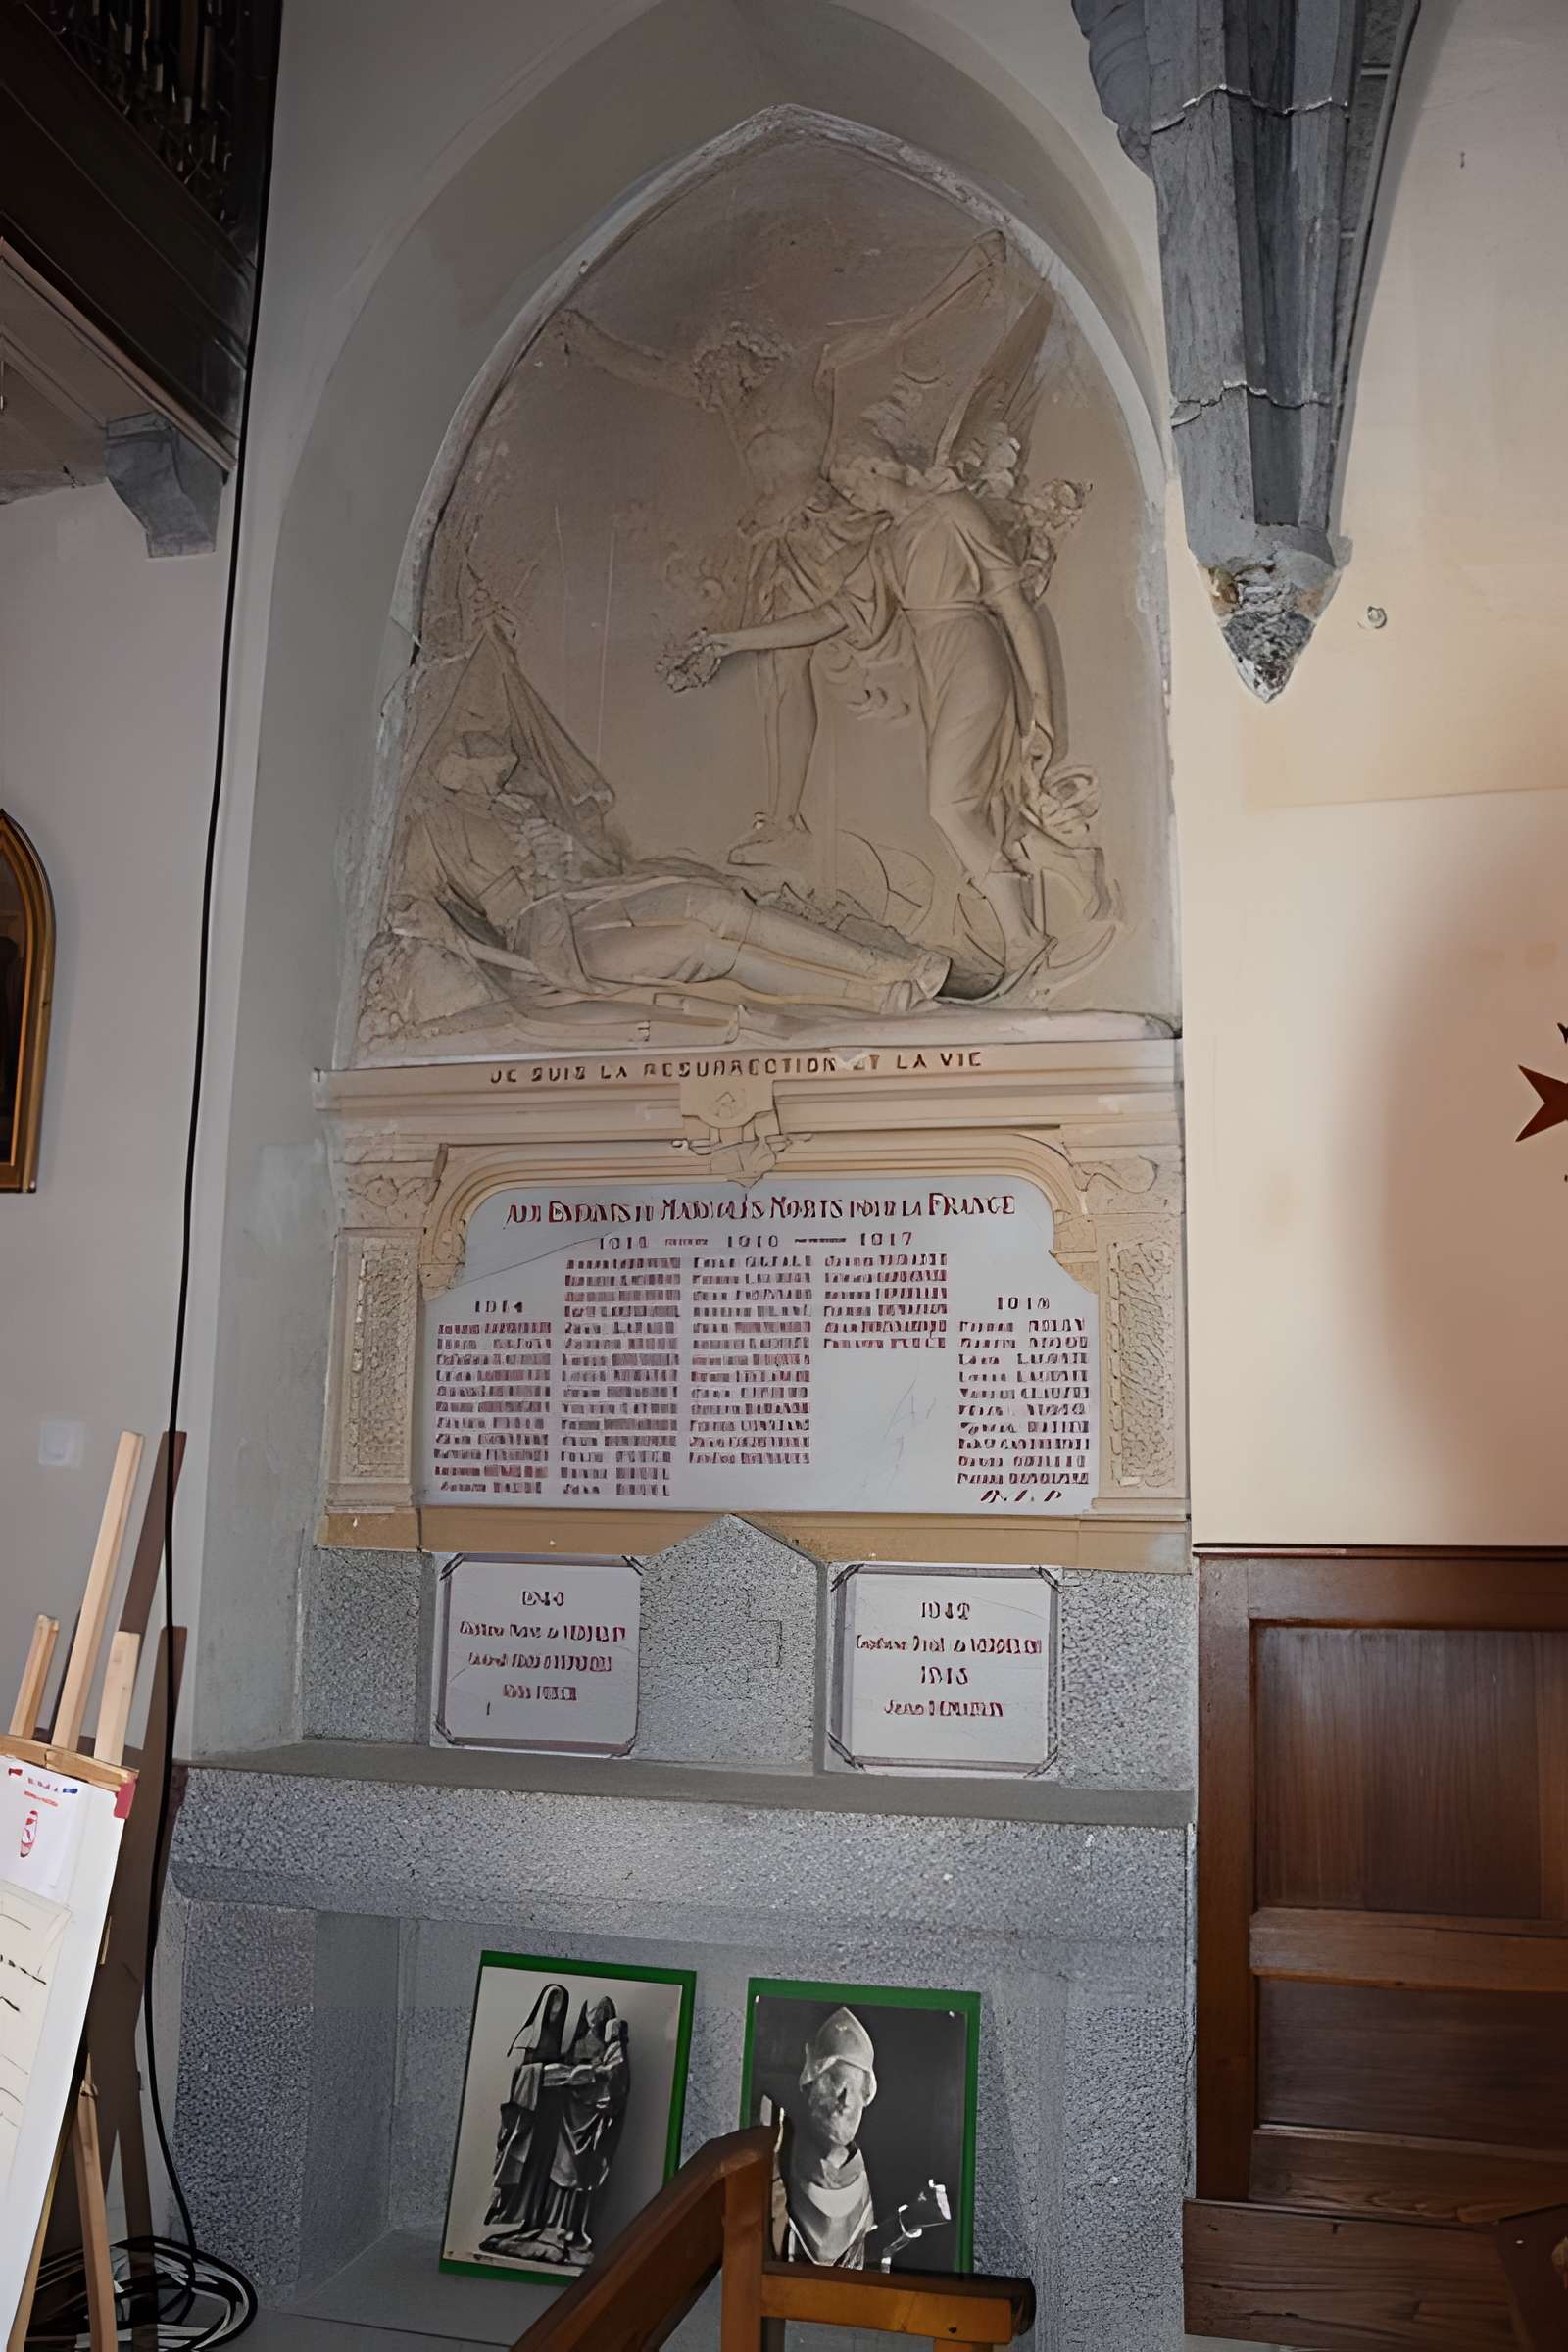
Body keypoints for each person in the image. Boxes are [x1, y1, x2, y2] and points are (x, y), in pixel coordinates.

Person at [667, 446, 1059, 980]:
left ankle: (1023, 939)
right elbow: (829, 616)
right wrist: (730, 641)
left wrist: (1041, 710)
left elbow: (1013, 607)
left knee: (948, 803)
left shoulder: (952, 510)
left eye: (852, 481)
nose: (849, 496)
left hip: (972, 653)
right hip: (932, 669)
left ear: (879, 466)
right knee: (957, 803)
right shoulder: (884, 546)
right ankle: (1020, 932)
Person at [767, 2006, 881, 2267]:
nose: (845, 2100)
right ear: (810, 2085)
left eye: (855, 2089)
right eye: (835, 2082)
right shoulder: (779, 2153)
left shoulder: (862, 2187)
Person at [528, 2000, 631, 2264]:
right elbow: (566, 2071)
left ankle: (571, 2232)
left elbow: (615, 2078)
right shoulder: (577, 2043)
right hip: (569, 2117)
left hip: (591, 2120)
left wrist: (589, 2074)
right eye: (591, 2016)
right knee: (559, 2169)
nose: (595, 2020)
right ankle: (552, 2226)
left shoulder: (615, 2048)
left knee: (579, 2175)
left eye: (600, 2016)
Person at [485, 1984, 580, 2232]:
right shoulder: (529, 2034)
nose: (556, 2010)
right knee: (517, 2160)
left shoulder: (556, 2039)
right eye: (553, 2003)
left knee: (540, 2164)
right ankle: (506, 2211)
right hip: (524, 2111)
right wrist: (543, 2073)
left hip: (546, 2112)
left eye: (561, 2005)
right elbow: (518, 2072)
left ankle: (532, 2215)